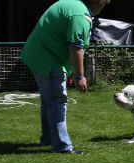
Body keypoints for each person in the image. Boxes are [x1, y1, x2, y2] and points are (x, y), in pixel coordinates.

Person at [22, 0, 110, 154]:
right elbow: (76, 48)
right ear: (99, 3)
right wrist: (80, 76)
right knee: (57, 101)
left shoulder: (72, 4)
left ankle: (48, 139)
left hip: (38, 54)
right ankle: (62, 147)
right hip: (47, 59)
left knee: (48, 100)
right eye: (105, 3)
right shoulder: (79, 15)